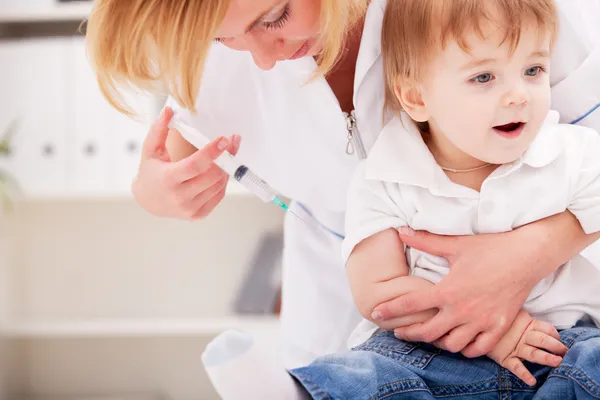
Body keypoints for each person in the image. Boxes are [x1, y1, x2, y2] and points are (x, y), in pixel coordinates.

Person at [85, 0, 600, 369]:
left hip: (556, 308)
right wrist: (154, 190)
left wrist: (528, 255)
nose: (262, 57)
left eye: (275, 17)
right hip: (354, 318)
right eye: (226, 39)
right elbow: (174, 154)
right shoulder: (220, 56)